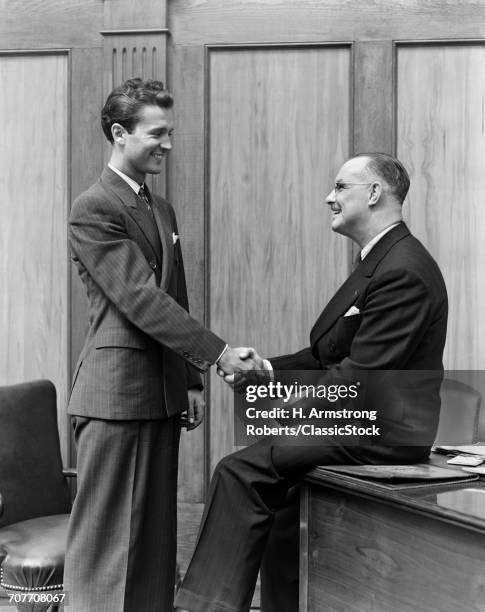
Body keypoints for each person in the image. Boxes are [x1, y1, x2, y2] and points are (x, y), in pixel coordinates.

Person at [174, 153, 448, 612]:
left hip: (386, 434)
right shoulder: (379, 260)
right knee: (278, 498)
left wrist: (289, 407)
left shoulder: (403, 269)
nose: (329, 197)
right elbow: (326, 355)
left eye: (340, 187)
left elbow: (364, 376)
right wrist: (265, 372)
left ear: (375, 193)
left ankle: (204, 607)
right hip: (359, 422)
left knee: (240, 470)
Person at [63, 78, 258, 612]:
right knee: (106, 553)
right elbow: (140, 298)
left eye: (170, 132)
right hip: (115, 399)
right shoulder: (94, 206)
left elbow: (177, 294)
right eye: (157, 133)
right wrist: (218, 354)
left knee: (151, 545)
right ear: (120, 133)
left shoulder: (161, 208)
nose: (167, 144)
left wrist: (190, 379)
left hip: (161, 395)